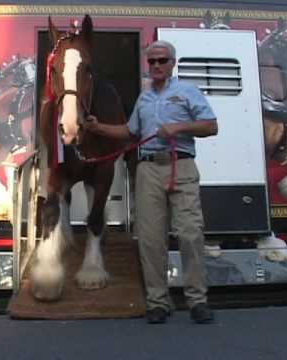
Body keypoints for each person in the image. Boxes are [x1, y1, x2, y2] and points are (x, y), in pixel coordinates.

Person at [85, 40, 218, 324]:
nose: (157, 66)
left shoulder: (187, 91)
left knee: (190, 233)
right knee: (149, 239)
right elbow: (130, 132)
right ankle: (158, 301)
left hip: (180, 165)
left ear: (173, 63)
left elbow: (211, 125)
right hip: (147, 169)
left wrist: (179, 127)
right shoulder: (144, 99)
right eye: (152, 62)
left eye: (162, 60)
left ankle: (197, 300)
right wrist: (98, 128)